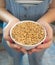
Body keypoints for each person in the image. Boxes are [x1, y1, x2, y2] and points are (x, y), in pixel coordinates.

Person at [0, 0, 55, 65]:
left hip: (41, 31)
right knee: (14, 58)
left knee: (36, 59)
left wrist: (45, 20)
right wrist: (11, 20)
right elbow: (1, 7)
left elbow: (53, 8)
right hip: (11, 29)